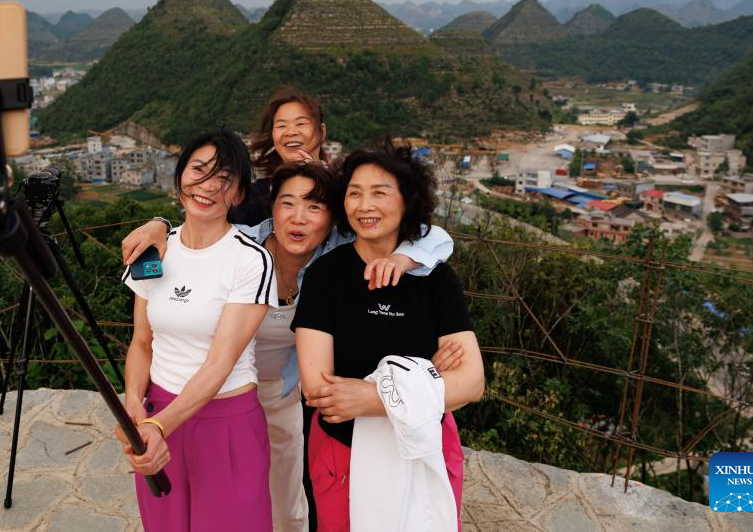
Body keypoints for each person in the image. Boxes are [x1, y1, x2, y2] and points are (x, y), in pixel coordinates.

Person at [122, 162, 462, 531]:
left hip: (284, 392)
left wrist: (402, 258)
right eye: (287, 204)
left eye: (314, 207)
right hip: (221, 390)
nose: (299, 218)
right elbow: (196, 229)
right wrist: (158, 223)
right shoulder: (244, 247)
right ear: (272, 208)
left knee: (286, 503)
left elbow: (436, 238)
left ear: (333, 219)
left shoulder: (337, 260)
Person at [293, 145, 485, 531]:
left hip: (423, 448)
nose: (365, 204)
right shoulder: (325, 277)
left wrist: (371, 395)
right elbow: (320, 392)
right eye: (354, 192)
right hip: (342, 451)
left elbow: (472, 382)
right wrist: (427, 375)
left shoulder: (436, 280)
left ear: (406, 200)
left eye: (380, 192)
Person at [116, 129, 277, 532]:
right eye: (199, 171)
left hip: (226, 422)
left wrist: (157, 425)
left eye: (224, 180)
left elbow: (220, 363)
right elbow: (141, 342)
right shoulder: (154, 252)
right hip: (158, 413)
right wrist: (135, 402)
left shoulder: (250, 261)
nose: (207, 187)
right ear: (180, 175)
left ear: (239, 194)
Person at [232, 87, 328, 226]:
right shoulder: (255, 196)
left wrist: (322, 182)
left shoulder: (345, 189)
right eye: (281, 126)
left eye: (301, 123)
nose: (290, 132)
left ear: (322, 131)